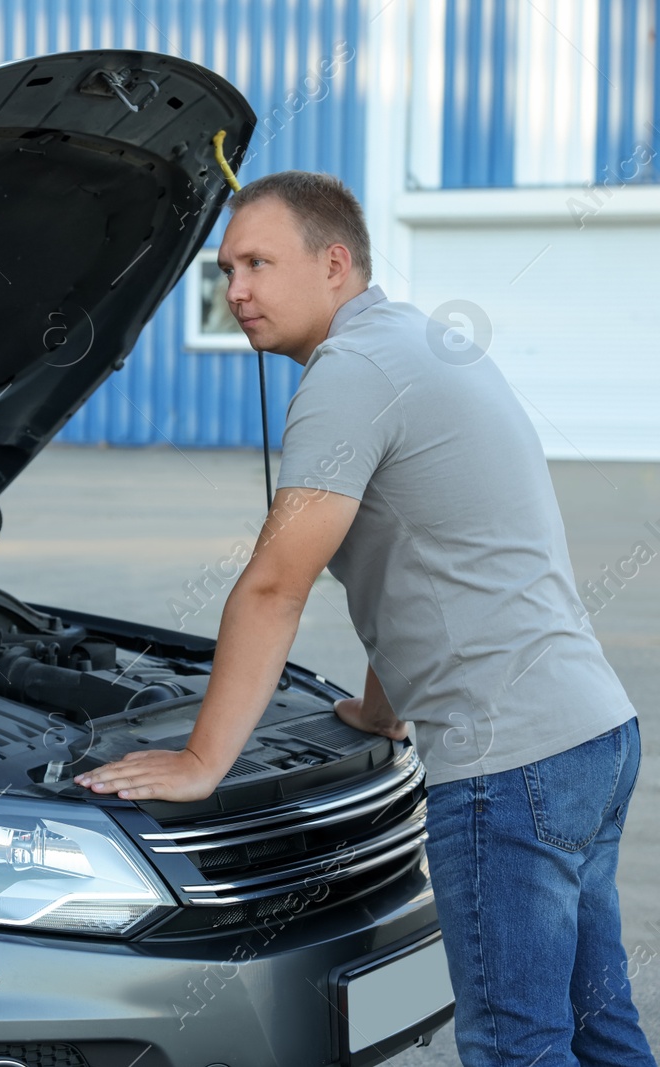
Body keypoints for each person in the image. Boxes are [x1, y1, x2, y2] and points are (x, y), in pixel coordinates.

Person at [73, 170, 652, 1067]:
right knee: (597, 1026)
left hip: (514, 768)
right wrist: (383, 712)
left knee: (515, 1045)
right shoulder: (409, 342)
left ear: (335, 262)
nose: (238, 293)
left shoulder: (351, 371)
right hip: (591, 735)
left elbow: (275, 584)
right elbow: (423, 552)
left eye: (259, 263)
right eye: (227, 271)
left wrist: (200, 760)